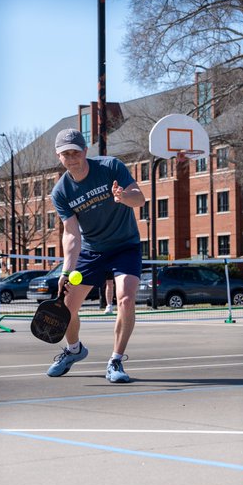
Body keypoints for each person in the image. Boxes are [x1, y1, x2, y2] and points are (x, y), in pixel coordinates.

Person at [46, 129, 145, 383]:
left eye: (75, 152)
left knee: (125, 299)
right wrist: (66, 270)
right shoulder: (61, 192)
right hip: (91, 251)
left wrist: (123, 197)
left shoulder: (111, 166)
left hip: (125, 245)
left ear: (85, 152)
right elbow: (70, 234)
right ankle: (74, 350)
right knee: (66, 307)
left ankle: (116, 361)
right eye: (65, 154)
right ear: (59, 157)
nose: (71, 158)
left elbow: (140, 199)